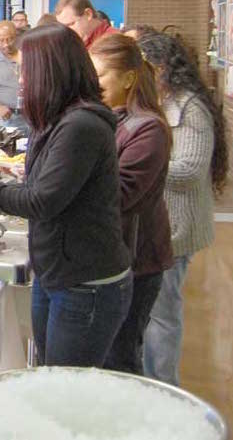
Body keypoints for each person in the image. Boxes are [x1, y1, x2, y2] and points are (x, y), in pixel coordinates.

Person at [0, 25, 132, 367]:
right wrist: (27, 175)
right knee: (47, 373)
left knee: (65, 391)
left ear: (51, 71)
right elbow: (55, 186)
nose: (21, 78)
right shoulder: (59, 120)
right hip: (57, 273)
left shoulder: (80, 126)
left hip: (85, 283)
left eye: (27, 69)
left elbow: (42, 202)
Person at [138, 33, 228, 386]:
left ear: (161, 69)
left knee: (162, 314)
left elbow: (189, 170)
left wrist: (138, 164)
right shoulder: (159, 101)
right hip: (158, 222)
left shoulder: (190, 107)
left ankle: (163, 387)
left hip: (178, 226)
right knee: (152, 311)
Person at [89, 34, 174, 374]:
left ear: (128, 78)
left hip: (138, 260)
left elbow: (120, 195)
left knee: (120, 357)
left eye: (100, 76)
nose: (93, 85)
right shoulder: (112, 117)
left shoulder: (147, 128)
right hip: (115, 256)